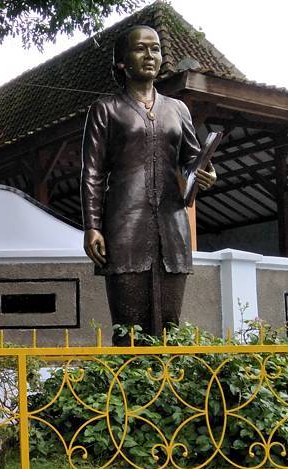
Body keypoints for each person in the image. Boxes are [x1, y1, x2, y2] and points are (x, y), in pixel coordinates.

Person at [81, 25, 217, 345]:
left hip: (172, 226)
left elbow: (194, 160)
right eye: (141, 49)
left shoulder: (177, 109)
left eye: (155, 49)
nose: (150, 56)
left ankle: (167, 392)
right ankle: (132, 392)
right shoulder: (106, 110)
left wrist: (207, 173)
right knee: (130, 331)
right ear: (122, 61)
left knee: (170, 328)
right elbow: (92, 173)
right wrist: (92, 227)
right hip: (124, 226)